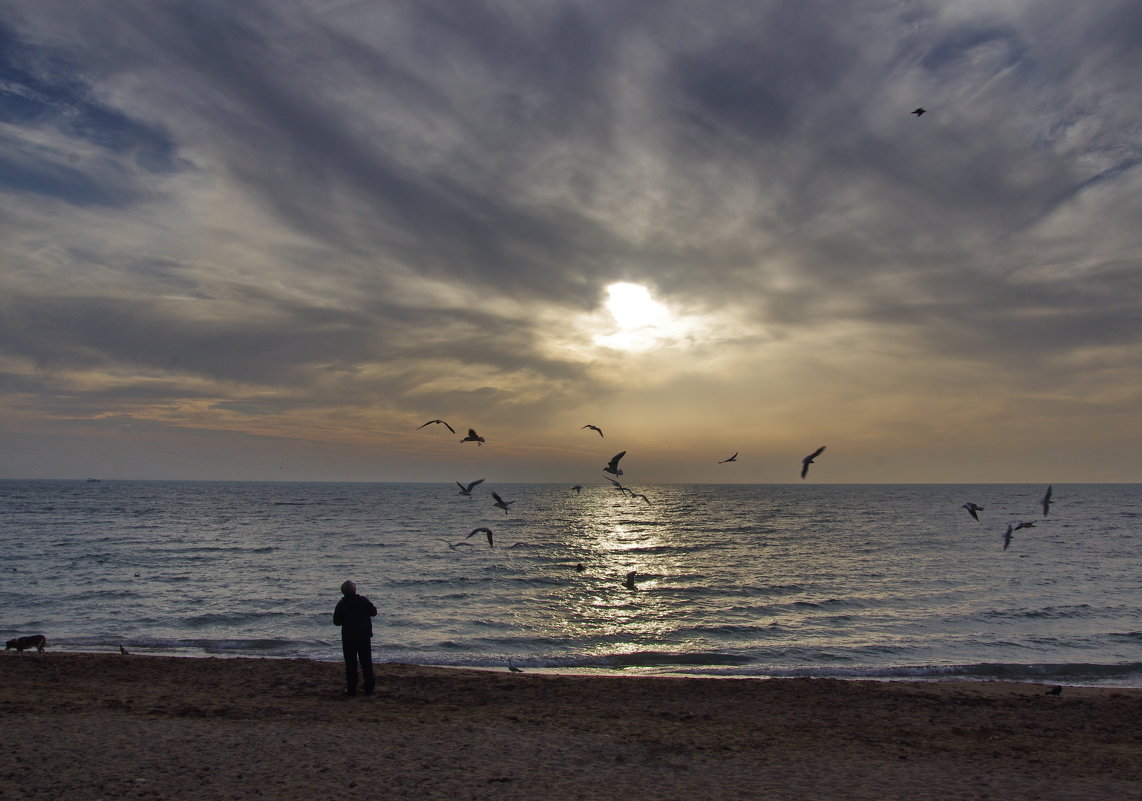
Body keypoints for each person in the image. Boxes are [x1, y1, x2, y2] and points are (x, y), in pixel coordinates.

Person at [332, 579, 377, 696]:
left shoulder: (341, 604)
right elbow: (373, 612)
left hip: (348, 638)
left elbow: (336, 622)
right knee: (366, 663)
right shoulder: (363, 600)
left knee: (350, 664)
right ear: (353, 590)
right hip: (363, 637)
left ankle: (352, 689)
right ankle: (369, 688)